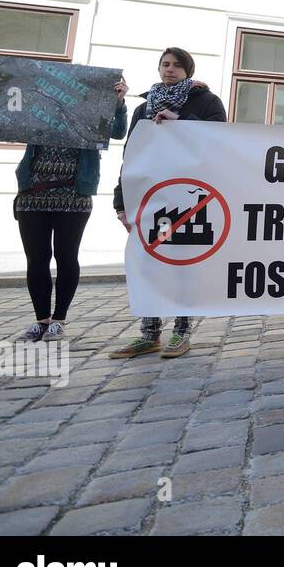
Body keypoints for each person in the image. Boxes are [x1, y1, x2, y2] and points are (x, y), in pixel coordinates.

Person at [0, 68, 128, 343]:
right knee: (36, 259)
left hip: (74, 194)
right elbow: (4, 118)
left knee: (66, 256)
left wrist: (118, 102)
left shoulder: (90, 111)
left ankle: (59, 320)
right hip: (33, 193)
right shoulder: (38, 110)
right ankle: (41, 320)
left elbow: (117, 132)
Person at [108, 47, 226, 359]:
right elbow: (130, 157)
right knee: (146, 265)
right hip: (148, 197)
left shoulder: (206, 101)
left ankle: (181, 331)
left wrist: (181, 120)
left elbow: (222, 141)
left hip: (188, 196)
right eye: (165, 64)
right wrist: (121, 202)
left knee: (181, 265)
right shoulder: (143, 107)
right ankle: (149, 334)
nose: (169, 70)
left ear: (188, 69)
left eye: (176, 65)